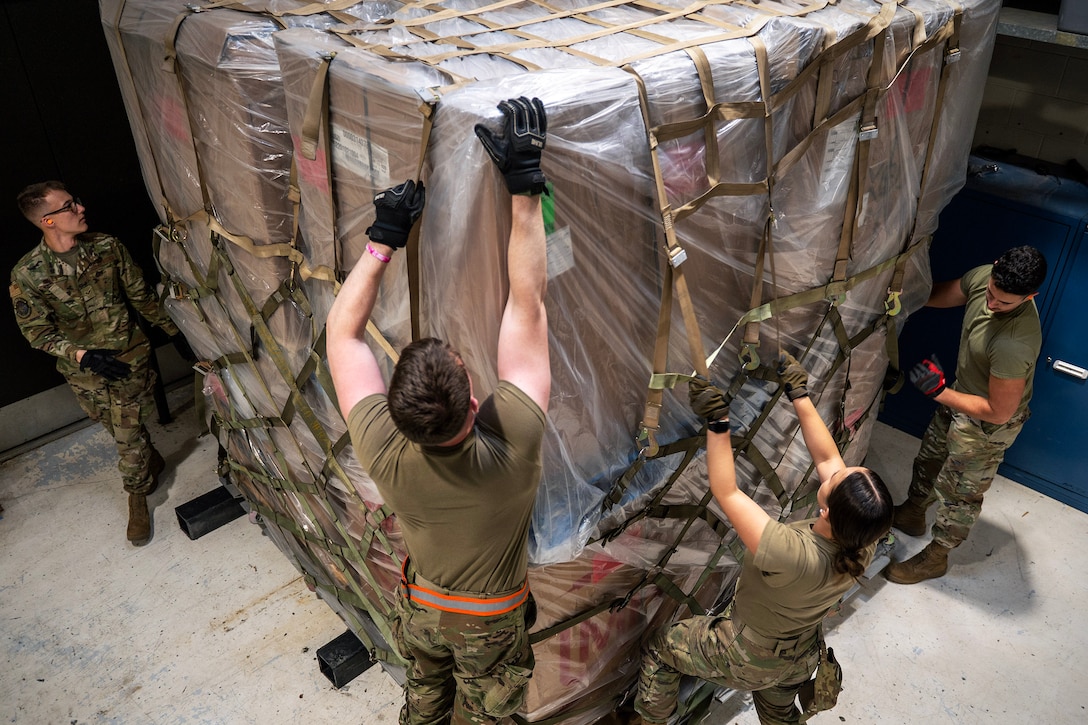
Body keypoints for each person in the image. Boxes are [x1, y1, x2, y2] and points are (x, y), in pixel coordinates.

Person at [325, 96, 551, 724]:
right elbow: (526, 306)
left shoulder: (382, 447)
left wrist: (382, 242)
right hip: (487, 626)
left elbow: (342, 337)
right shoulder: (513, 445)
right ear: (475, 401)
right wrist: (525, 189)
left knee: (424, 700)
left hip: (421, 610)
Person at [630, 353, 893, 725]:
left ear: (828, 511)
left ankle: (648, 720)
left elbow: (727, 492)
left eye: (836, 479)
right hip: (799, 654)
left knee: (661, 648)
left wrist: (718, 423)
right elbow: (828, 458)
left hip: (746, 655)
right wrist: (799, 394)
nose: (835, 469)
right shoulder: (862, 541)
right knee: (778, 713)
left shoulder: (792, 552)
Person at [9, 182, 193, 544]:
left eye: (75, 200)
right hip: (84, 372)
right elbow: (37, 333)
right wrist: (83, 356)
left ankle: (137, 496)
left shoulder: (107, 247)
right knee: (116, 427)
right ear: (48, 220)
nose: (80, 207)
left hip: (128, 357)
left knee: (126, 432)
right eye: (68, 206)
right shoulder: (27, 274)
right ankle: (149, 459)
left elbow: (140, 296)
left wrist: (174, 333)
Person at [885, 245, 1047, 584]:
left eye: (1004, 303)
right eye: (991, 293)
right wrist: (903, 298)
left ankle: (937, 556)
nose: (992, 304)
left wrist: (940, 392)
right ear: (995, 267)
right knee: (930, 458)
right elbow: (945, 294)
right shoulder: (985, 277)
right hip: (960, 397)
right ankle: (913, 512)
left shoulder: (1014, 343)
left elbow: (999, 412)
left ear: (1030, 297)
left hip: (986, 425)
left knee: (960, 491)